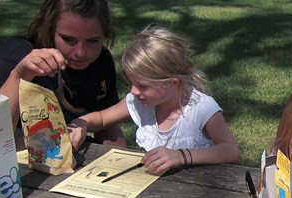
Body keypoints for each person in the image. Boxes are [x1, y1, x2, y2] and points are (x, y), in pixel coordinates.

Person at [68, 26, 240, 175]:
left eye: (142, 86)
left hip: (197, 191)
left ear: (172, 83)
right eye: (132, 83)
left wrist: (181, 156)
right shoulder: (140, 103)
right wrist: (83, 123)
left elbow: (230, 151)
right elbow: (103, 118)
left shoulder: (201, 108)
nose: (133, 91)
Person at [0, 0, 127, 147]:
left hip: (74, 158)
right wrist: (19, 76)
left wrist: (121, 161)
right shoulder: (18, 55)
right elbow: (2, 131)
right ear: (49, 29)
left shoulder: (101, 60)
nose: (80, 52)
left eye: (93, 41)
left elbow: (106, 125)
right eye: (68, 39)